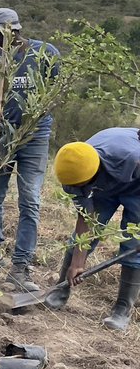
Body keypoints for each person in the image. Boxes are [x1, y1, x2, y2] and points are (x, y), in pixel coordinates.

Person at [0, 7, 61, 292]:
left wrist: (32, 119)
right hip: (0, 136)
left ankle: (21, 266)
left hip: (35, 137)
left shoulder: (45, 53)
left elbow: (55, 91)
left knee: (30, 201)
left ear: (10, 32)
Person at [50, 128, 140, 331]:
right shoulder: (71, 171)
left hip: (137, 187)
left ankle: (122, 309)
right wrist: (78, 261)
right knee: (79, 240)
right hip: (103, 189)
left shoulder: (132, 158)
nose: (78, 189)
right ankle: (60, 289)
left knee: (133, 244)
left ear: (94, 173)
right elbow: (86, 216)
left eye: (82, 185)